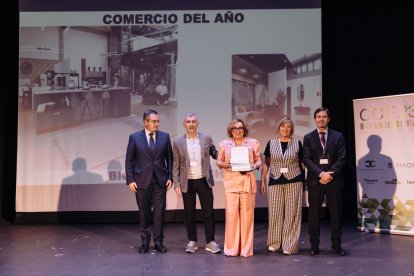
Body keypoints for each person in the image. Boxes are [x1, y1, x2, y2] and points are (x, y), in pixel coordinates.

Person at [125, 109, 173, 254]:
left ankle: (158, 242)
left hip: (160, 182)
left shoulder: (165, 137)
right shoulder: (134, 137)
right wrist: (130, 180)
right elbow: (129, 161)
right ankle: (145, 242)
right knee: (144, 213)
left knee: (159, 213)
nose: (156, 124)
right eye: (154, 121)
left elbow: (170, 159)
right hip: (141, 181)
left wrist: (170, 177)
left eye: (158, 121)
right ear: (145, 122)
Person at [173, 113, 221, 254]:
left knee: (208, 212)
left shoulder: (206, 137)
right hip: (187, 181)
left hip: (203, 180)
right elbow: (176, 164)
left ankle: (210, 242)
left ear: (197, 123)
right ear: (184, 124)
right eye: (188, 122)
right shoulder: (177, 142)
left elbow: (214, 152)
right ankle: (192, 241)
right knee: (189, 213)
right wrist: (176, 183)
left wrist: (226, 154)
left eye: (193, 121)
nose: (191, 124)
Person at [303, 107, 347, 256]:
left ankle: (337, 245)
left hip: (334, 180)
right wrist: (321, 174)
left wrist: (330, 174)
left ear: (328, 119)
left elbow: (342, 158)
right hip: (316, 181)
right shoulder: (308, 138)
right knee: (314, 214)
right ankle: (314, 245)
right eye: (318, 117)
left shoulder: (338, 136)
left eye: (324, 117)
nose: (321, 119)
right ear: (315, 119)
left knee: (336, 214)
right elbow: (307, 159)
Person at [216, 119, 262, 257]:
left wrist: (255, 165)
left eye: (240, 128)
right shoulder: (224, 144)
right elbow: (219, 161)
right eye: (235, 128)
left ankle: (246, 250)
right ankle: (231, 249)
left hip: (247, 182)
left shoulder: (253, 142)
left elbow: (259, 159)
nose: (238, 130)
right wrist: (224, 164)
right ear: (231, 130)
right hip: (231, 183)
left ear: (244, 129)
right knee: (231, 216)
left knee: (247, 217)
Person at [260, 117, 304, 255]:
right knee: (275, 213)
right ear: (278, 128)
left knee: (292, 214)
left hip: (294, 180)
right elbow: (266, 163)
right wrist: (262, 180)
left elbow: (302, 163)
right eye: (283, 126)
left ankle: (289, 245)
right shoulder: (271, 143)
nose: (285, 129)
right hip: (275, 181)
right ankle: (274, 243)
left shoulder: (297, 143)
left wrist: (305, 180)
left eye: (288, 126)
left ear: (292, 129)